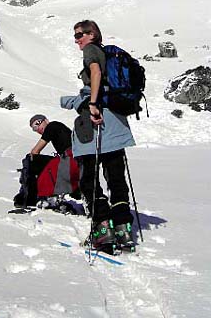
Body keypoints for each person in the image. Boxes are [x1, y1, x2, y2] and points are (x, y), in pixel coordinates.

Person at [60, 20, 136, 252]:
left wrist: (92, 103)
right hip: (115, 123)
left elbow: (94, 71)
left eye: (81, 34)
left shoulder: (92, 51)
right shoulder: (108, 54)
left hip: (95, 126)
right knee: (116, 178)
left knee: (89, 180)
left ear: (93, 34)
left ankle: (103, 230)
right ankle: (123, 229)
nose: (77, 39)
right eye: (75, 36)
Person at [13, 115, 79, 209]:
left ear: (46, 120)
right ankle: (34, 196)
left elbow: (35, 152)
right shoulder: (58, 129)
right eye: (34, 129)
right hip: (73, 159)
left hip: (70, 159)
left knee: (30, 160)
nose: (37, 129)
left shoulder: (52, 126)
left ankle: (27, 198)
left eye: (37, 124)